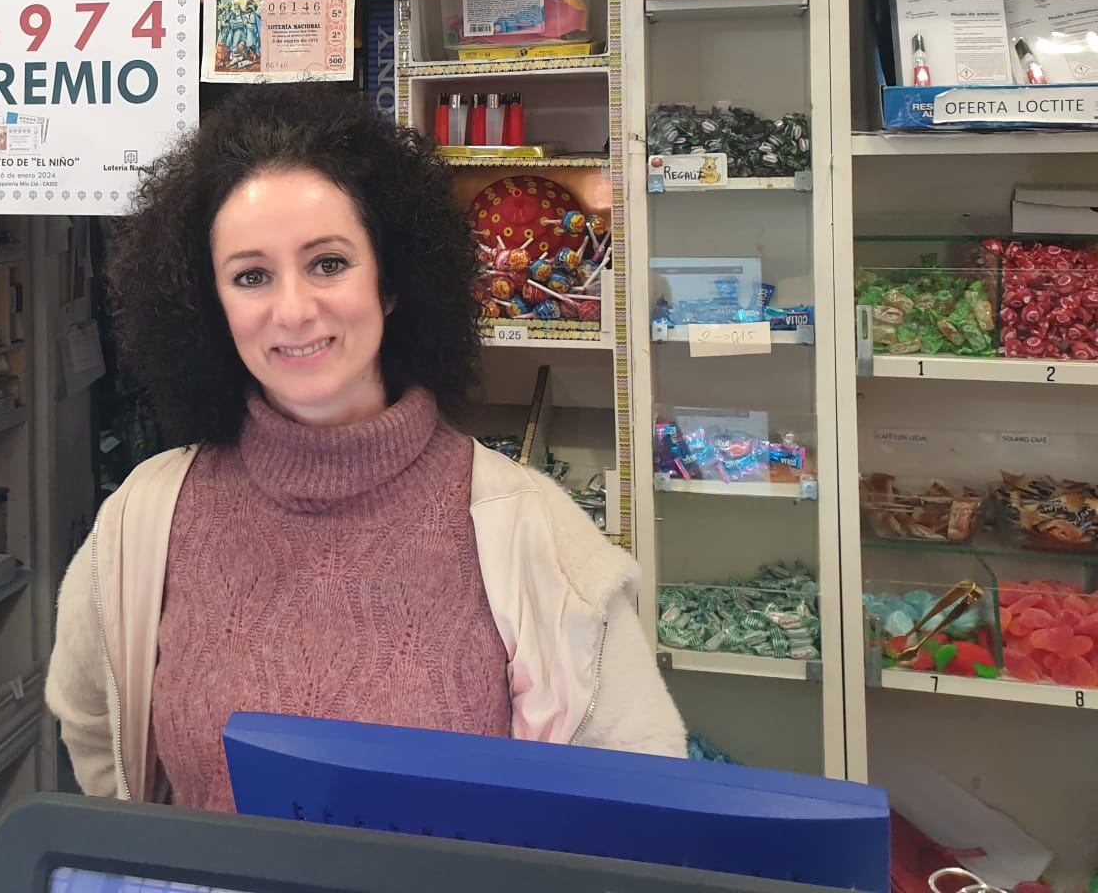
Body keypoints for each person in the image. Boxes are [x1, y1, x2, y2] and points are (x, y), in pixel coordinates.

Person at [47, 84, 684, 811]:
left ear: (390, 282)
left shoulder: (533, 531)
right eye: (251, 276)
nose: (293, 310)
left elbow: (634, 797)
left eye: (328, 263)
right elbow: (97, 732)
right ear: (209, 306)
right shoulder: (144, 519)